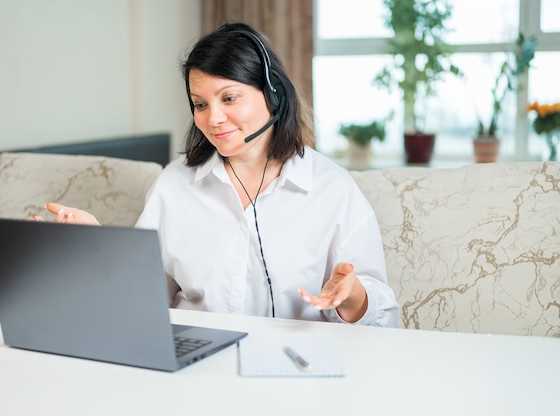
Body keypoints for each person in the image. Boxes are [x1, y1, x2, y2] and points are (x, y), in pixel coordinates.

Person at [41, 22, 400, 327]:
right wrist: (99, 247)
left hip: (294, 372)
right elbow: (141, 303)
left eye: (229, 98)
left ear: (272, 95)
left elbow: (386, 318)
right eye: (200, 104)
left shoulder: (332, 188)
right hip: (192, 370)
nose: (212, 118)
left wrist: (352, 296)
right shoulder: (174, 184)